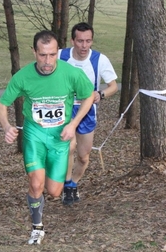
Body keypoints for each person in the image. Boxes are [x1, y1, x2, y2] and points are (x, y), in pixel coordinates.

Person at [0, 30, 94, 245]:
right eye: (42, 55)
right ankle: (37, 227)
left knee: (54, 191)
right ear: (34, 52)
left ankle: (49, 176)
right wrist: (6, 126)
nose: (48, 61)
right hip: (35, 136)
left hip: (60, 138)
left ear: (57, 51)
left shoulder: (71, 73)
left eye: (52, 55)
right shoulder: (22, 76)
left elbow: (90, 96)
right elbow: (2, 104)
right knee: (36, 184)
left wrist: (73, 124)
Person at [58, 22, 118, 205]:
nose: (84, 46)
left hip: (87, 112)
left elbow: (113, 86)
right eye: (80, 41)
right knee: (69, 148)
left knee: (83, 157)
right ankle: (67, 185)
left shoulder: (100, 59)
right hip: (65, 109)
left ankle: (73, 184)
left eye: (88, 41)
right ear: (72, 40)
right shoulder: (61, 55)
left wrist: (100, 94)